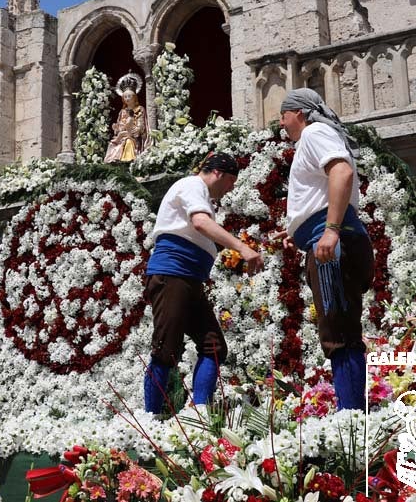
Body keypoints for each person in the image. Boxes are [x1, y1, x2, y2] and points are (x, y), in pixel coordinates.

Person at [143, 152, 263, 413]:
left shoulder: (201, 197)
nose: (231, 189)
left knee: (214, 347)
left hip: (190, 280)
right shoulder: (192, 185)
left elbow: (203, 233)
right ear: (218, 172)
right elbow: (199, 223)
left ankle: (200, 412)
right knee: (166, 349)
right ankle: (149, 419)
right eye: (231, 181)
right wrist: (242, 247)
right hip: (173, 275)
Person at [280, 88, 374, 411]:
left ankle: (352, 419)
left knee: (340, 335)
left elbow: (341, 172)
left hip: (332, 246)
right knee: (340, 331)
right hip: (327, 240)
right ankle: (352, 412)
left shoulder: (314, 132)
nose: (281, 122)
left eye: (284, 114)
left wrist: (330, 230)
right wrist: (297, 229)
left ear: (301, 114)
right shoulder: (314, 137)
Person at [104, 72, 151, 163]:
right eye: (125, 97)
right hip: (123, 135)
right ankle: (115, 161)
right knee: (112, 144)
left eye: (129, 96)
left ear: (134, 97)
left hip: (134, 136)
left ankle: (128, 161)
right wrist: (116, 128)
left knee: (129, 142)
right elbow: (120, 125)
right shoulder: (122, 112)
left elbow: (141, 125)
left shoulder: (140, 109)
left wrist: (135, 130)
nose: (127, 98)